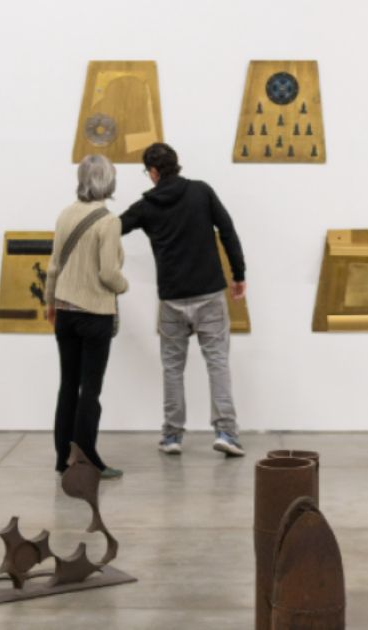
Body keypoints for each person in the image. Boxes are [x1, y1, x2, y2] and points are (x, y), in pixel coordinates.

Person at [120, 142, 247, 457]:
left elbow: (113, 229)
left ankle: (173, 436)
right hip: (209, 295)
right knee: (217, 363)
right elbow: (228, 231)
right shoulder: (201, 192)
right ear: (176, 164)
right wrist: (238, 274)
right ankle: (227, 434)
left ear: (152, 172)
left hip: (172, 300)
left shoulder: (146, 206)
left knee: (172, 368)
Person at [43, 154, 129, 479]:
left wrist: (51, 301)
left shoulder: (65, 214)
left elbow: (53, 265)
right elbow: (108, 273)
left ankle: (63, 457)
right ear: (108, 180)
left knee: (68, 385)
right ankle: (87, 458)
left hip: (64, 312)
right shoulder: (109, 221)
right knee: (90, 391)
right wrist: (125, 284)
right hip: (95, 315)